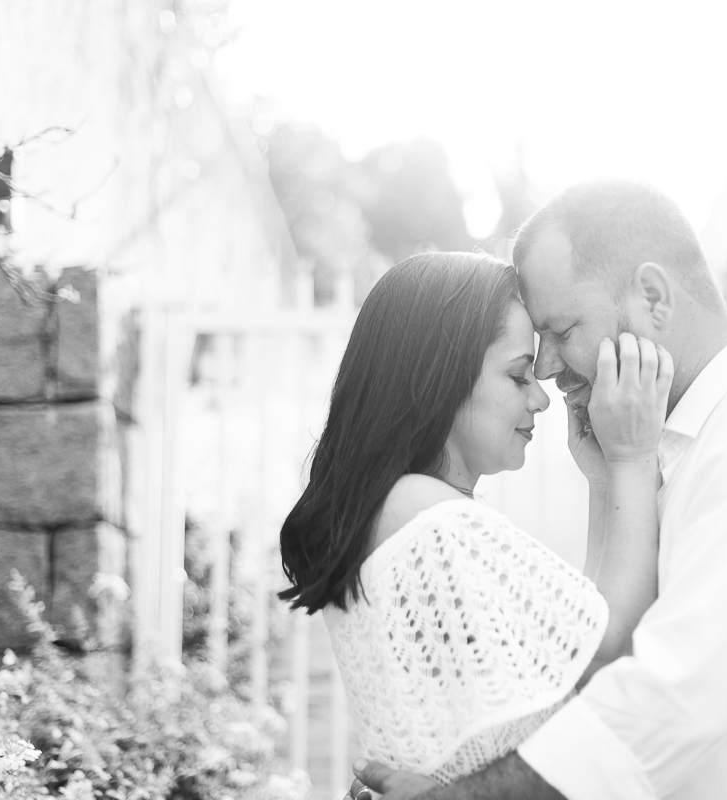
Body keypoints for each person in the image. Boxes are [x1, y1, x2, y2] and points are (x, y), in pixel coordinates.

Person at [354, 181, 727, 799]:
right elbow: (594, 669)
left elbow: (673, 698)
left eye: (563, 329)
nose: (545, 369)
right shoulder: (666, 448)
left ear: (652, 295)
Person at [278, 252, 673, 792]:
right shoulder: (424, 514)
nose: (540, 398)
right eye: (517, 375)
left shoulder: (403, 509)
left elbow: (576, 646)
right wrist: (632, 456)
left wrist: (603, 485)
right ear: (437, 378)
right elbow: (608, 648)